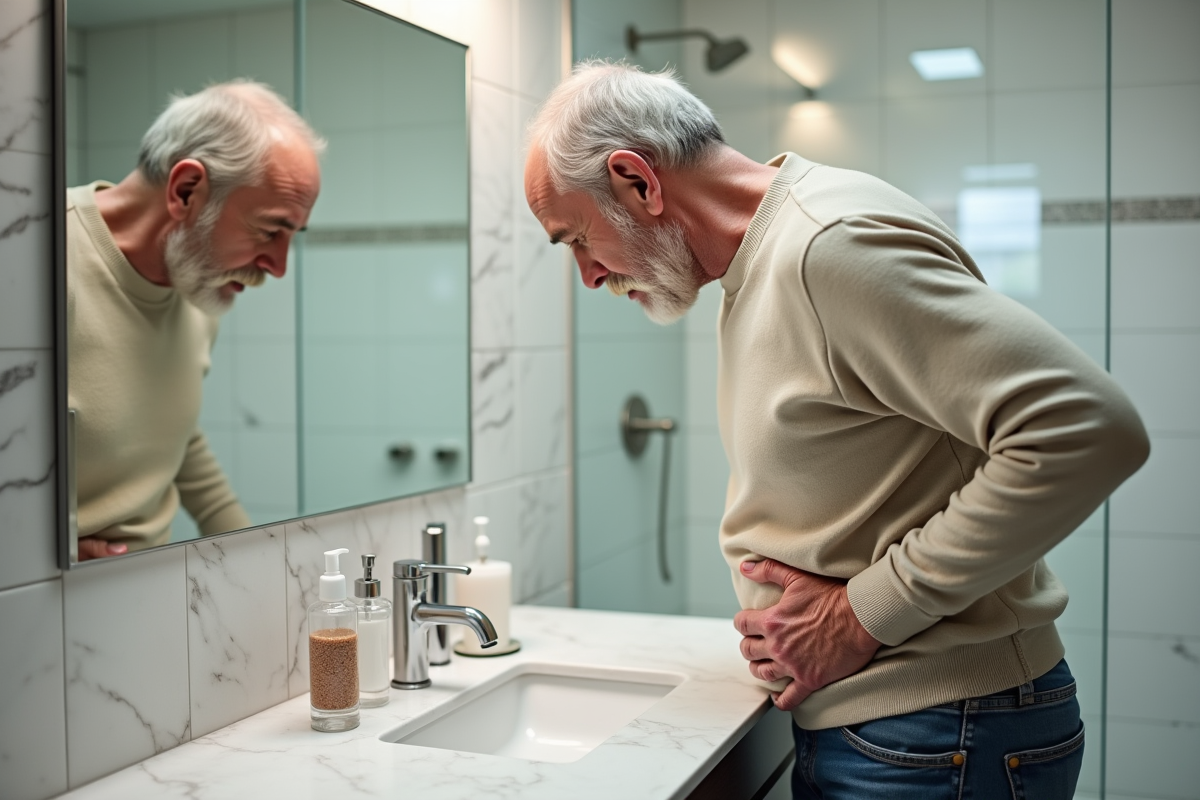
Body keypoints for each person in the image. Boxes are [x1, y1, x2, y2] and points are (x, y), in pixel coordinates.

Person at [524, 62, 1149, 798]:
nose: (590, 277)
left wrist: (859, 617)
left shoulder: (828, 248)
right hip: (910, 731)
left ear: (637, 180)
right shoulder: (766, 258)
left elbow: (1087, 427)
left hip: (941, 731)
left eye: (575, 239)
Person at [68, 80, 324, 560]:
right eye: (271, 230)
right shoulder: (38, 259)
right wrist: (37, 555)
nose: (278, 266)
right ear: (187, 191)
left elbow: (171, 435)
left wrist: (263, 561)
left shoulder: (195, 283)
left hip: (137, 592)